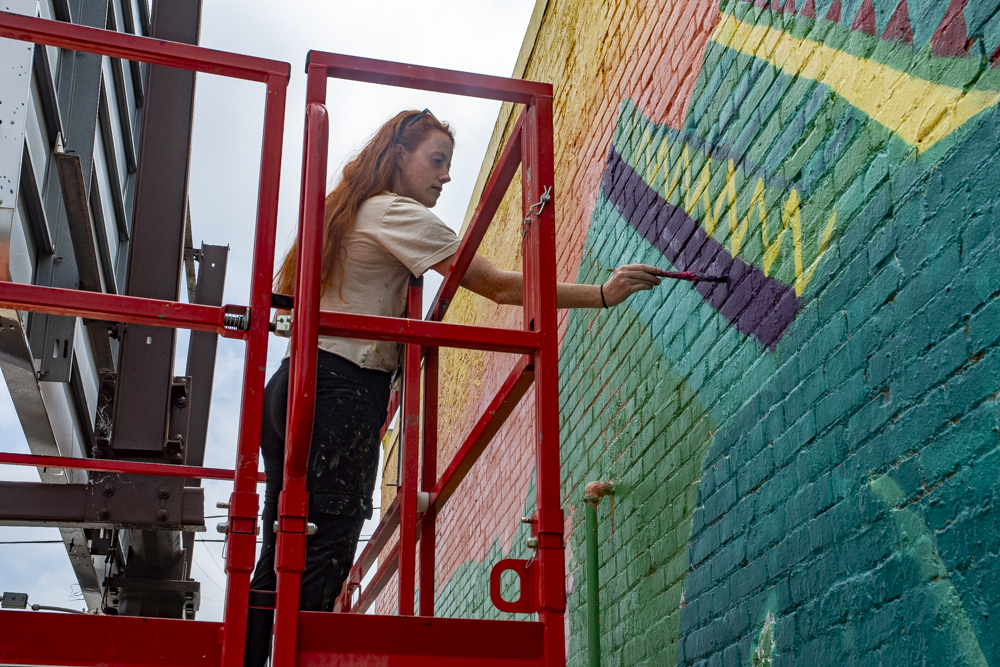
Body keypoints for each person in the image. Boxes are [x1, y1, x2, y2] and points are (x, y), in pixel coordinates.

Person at [244, 109, 662, 666]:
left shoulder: (354, 211)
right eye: (436, 161)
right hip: (340, 390)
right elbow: (495, 286)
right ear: (398, 157)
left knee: (281, 550)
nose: (444, 177)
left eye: (449, 165)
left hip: (295, 383)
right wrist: (603, 294)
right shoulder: (397, 212)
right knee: (329, 549)